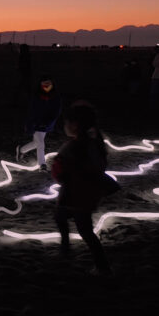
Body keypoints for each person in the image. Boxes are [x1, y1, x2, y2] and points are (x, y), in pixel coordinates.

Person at [52, 102, 112, 275]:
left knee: (84, 230)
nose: (64, 126)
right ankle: (65, 249)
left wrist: (61, 170)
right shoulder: (93, 143)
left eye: (66, 122)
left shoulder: (76, 147)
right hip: (83, 193)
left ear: (75, 125)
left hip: (78, 194)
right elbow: (100, 166)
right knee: (60, 216)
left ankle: (103, 267)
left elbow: (61, 171)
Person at [16, 75, 62, 170]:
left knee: (36, 142)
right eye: (44, 83)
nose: (46, 85)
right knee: (41, 143)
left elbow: (56, 111)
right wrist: (30, 123)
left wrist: (49, 122)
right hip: (36, 123)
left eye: (48, 83)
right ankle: (42, 164)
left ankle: (21, 150)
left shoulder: (55, 96)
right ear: (40, 84)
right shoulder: (36, 95)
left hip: (47, 123)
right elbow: (32, 110)